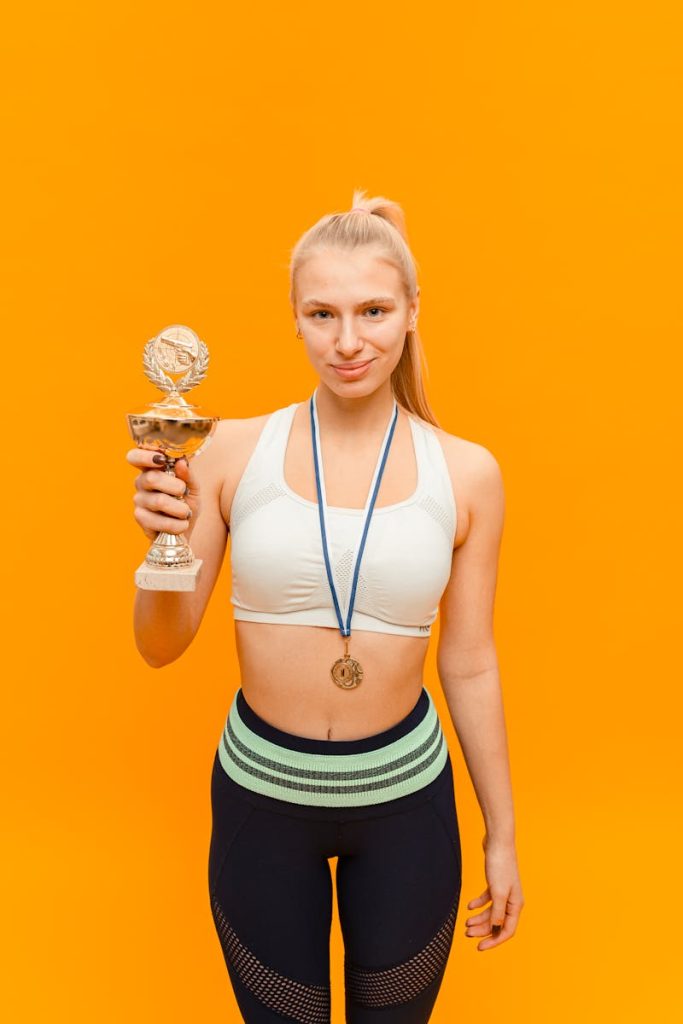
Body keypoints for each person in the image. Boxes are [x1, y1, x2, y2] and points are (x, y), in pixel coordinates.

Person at [127, 190, 524, 1023]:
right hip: (262, 798)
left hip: (405, 802)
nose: (347, 342)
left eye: (373, 310)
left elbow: (469, 662)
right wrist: (162, 547)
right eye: (322, 314)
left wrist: (501, 835)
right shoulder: (228, 451)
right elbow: (160, 646)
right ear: (295, 319)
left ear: (412, 311)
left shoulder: (466, 473)